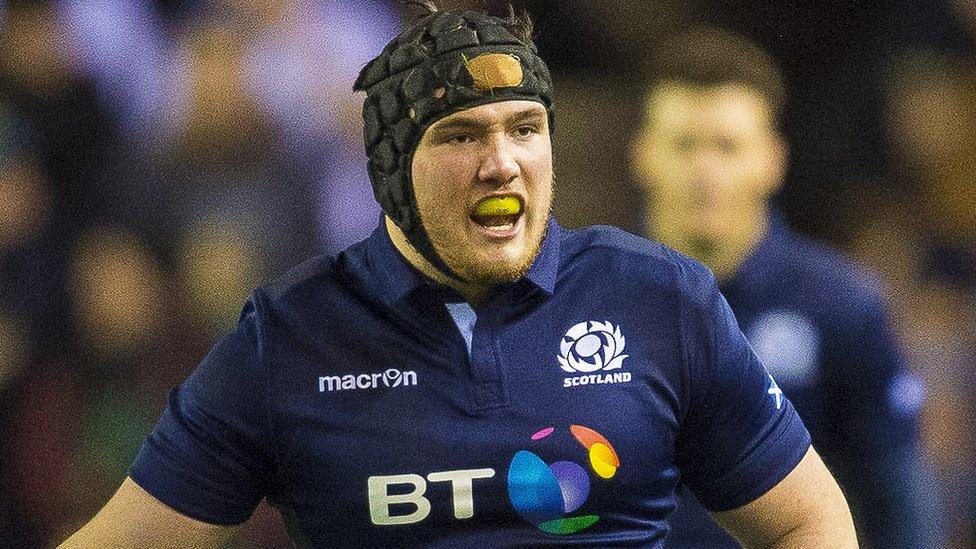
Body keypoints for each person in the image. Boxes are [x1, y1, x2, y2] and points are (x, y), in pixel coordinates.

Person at [61, 4, 857, 547]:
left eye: (525, 128)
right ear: (391, 171)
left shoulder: (658, 299)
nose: (502, 161)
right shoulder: (290, 338)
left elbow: (809, 519)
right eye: (461, 135)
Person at [630, 27, 941, 548]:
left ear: (772, 160)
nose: (704, 170)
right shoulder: (588, 296)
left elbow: (898, 499)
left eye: (726, 146)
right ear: (642, 156)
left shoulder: (842, 304)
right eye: (684, 145)